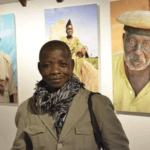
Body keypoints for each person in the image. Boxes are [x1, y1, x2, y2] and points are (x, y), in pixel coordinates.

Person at [11, 40, 130, 150]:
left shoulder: (98, 104)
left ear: (72, 66)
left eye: (62, 64)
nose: (55, 71)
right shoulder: (27, 108)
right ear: (39, 68)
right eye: (47, 65)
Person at [113, 10, 150, 113]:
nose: (137, 52)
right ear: (123, 39)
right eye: (132, 41)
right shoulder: (109, 64)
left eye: (146, 44)